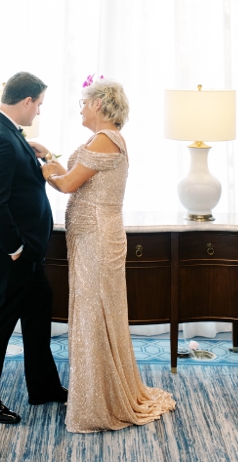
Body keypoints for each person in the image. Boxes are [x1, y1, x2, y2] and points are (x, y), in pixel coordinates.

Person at [41, 77, 176, 433]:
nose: (81, 110)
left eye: (84, 103)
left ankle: (99, 403)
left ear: (99, 104)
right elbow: (72, 178)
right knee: (90, 315)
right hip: (88, 238)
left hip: (97, 240)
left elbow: (69, 184)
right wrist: (51, 161)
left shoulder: (107, 139)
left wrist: (47, 169)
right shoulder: (97, 139)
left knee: (94, 315)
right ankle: (96, 393)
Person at [0, 71, 66, 425]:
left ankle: (43, 386)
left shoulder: (8, 131)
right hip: (9, 250)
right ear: (26, 101)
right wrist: (14, 249)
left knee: (39, 310)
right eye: (38, 104)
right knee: (0, 322)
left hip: (26, 250)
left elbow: (20, 180)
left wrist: (43, 152)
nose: (38, 111)